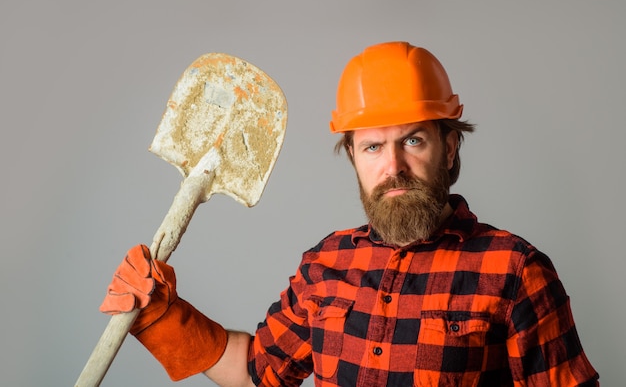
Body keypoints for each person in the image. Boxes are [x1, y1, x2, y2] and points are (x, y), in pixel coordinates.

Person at [100, 41, 599, 386]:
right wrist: (164, 315)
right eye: (373, 147)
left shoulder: (515, 272)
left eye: (413, 140)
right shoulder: (326, 265)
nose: (393, 166)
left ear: (449, 148)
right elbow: (258, 370)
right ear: (354, 157)